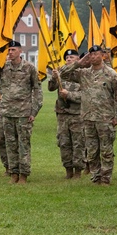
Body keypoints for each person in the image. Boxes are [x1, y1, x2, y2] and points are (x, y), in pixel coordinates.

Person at [60, 44, 117, 185]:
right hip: (88, 118)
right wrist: (78, 63)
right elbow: (62, 74)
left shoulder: (111, 74)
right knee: (92, 150)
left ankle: (106, 178)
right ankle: (96, 177)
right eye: (91, 55)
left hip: (105, 118)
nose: (93, 57)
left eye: (96, 54)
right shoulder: (84, 73)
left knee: (106, 150)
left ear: (103, 55)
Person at [0, 40, 43, 184]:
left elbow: (37, 90)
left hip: (24, 113)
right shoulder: (3, 67)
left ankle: (24, 174)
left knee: (23, 144)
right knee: (10, 144)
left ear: (20, 51)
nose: (10, 52)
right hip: (7, 112)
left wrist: (34, 111)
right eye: (8, 50)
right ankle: (13, 173)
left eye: (13, 50)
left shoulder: (29, 68)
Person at [46, 49, 85, 179]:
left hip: (77, 114)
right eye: (67, 57)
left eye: (71, 57)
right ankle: (68, 169)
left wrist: (70, 95)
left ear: (78, 59)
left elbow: (87, 95)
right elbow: (51, 88)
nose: (68, 59)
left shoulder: (83, 74)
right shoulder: (61, 72)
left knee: (78, 143)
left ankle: (78, 170)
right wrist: (53, 77)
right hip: (62, 114)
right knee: (63, 142)